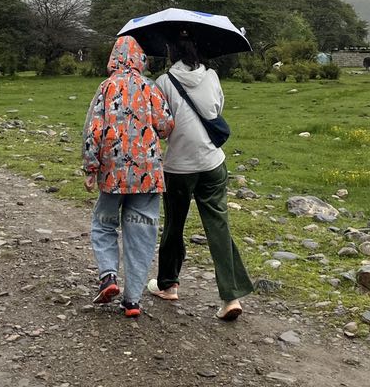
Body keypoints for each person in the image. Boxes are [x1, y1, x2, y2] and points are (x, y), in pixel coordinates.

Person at [149, 34, 253, 320]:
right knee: (218, 226)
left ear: (172, 53)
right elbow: (217, 110)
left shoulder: (163, 82)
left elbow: (162, 127)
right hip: (212, 163)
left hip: (178, 167)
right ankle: (230, 297)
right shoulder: (212, 76)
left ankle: (168, 285)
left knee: (174, 224)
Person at [82, 35, 174, 318]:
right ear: (140, 59)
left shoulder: (106, 88)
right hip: (147, 175)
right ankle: (132, 300)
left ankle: (109, 276)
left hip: (112, 176)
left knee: (104, 224)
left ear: (114, 58)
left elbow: (93, 129)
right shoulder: (150, 88)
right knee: (141, 234)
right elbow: (165, 125)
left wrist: (90, 167)